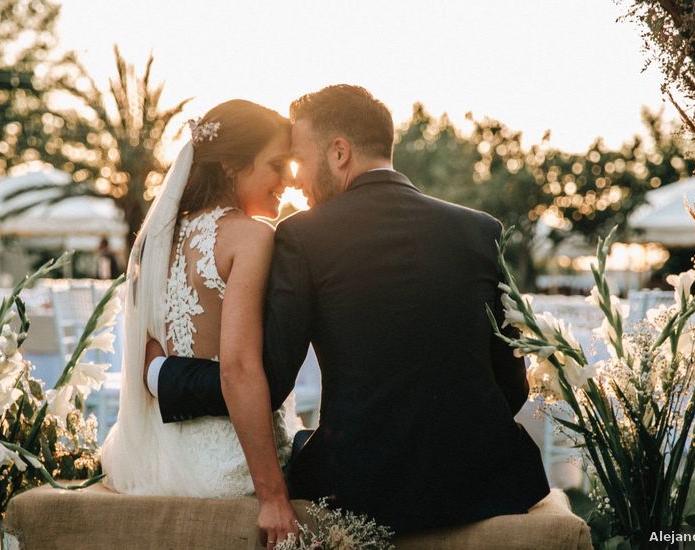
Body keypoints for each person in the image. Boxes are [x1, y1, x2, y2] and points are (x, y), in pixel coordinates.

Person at [146, 85, 551, 545]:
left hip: (365, 485)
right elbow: (512, 385)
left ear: (339, 153)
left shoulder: (302, 238)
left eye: (299, 160)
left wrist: (163, 375)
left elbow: (269, 380)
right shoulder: (479, 230)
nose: (295, 180)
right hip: (489, 479)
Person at [98, 100, 303, 522]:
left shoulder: (159, 239)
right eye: (277, 164)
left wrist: (158, 373)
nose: (289, 180)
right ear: (230, 164)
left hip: (163, 461)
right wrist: (273, 497)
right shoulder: (251, 238)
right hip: (234, 467)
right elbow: (239, 369)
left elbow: (149, 350)